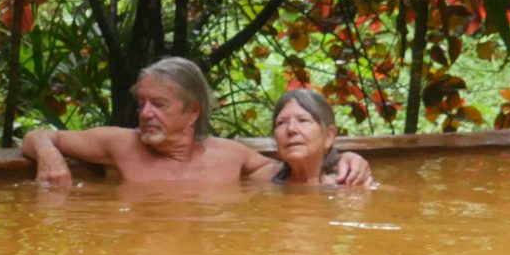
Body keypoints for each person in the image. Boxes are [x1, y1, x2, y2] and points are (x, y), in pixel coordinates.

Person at [21, 59, 372, 191]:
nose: (145, 114)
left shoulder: (233, 158)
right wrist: (49, 155)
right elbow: (37, 136)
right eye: (142, 103)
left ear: (192, 113)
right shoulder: (119, 144)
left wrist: (346, 159)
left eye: (159, 105)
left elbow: (297, 176)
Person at [261, 85, 375, 189]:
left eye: (303, 120)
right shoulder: (264, 178)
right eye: (281, 123)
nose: (291, 129)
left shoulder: (352, 185)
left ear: (328, 136)